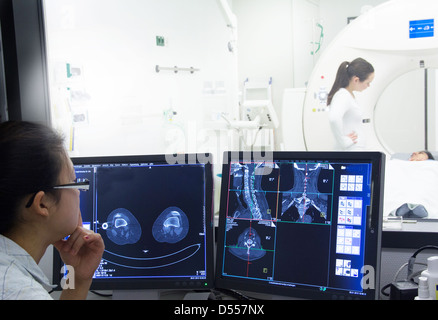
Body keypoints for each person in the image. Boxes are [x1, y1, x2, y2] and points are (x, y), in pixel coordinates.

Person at [0, 121, 104, 300]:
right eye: (74, 181)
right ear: (42, 204)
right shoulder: (23, 293)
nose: (78, 192)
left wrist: (78, 279)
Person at [327, 58, 375, 150]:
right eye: (368, 82)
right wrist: (342, 141)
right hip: (349, 151)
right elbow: (334, 118)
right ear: (356, 80)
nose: (368, 86)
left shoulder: (349, 95)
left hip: (354, 150)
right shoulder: (342, 95)